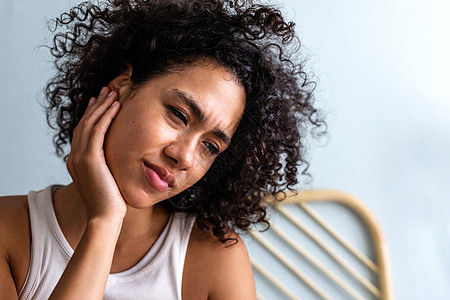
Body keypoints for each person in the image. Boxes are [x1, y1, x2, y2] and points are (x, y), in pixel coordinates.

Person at [0, 0, 324, 298]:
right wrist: (105, 221)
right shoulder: (6, 231)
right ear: (120, 88)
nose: (183, 156)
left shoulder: (215, 259)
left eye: (210, 146)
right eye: (179, 115)